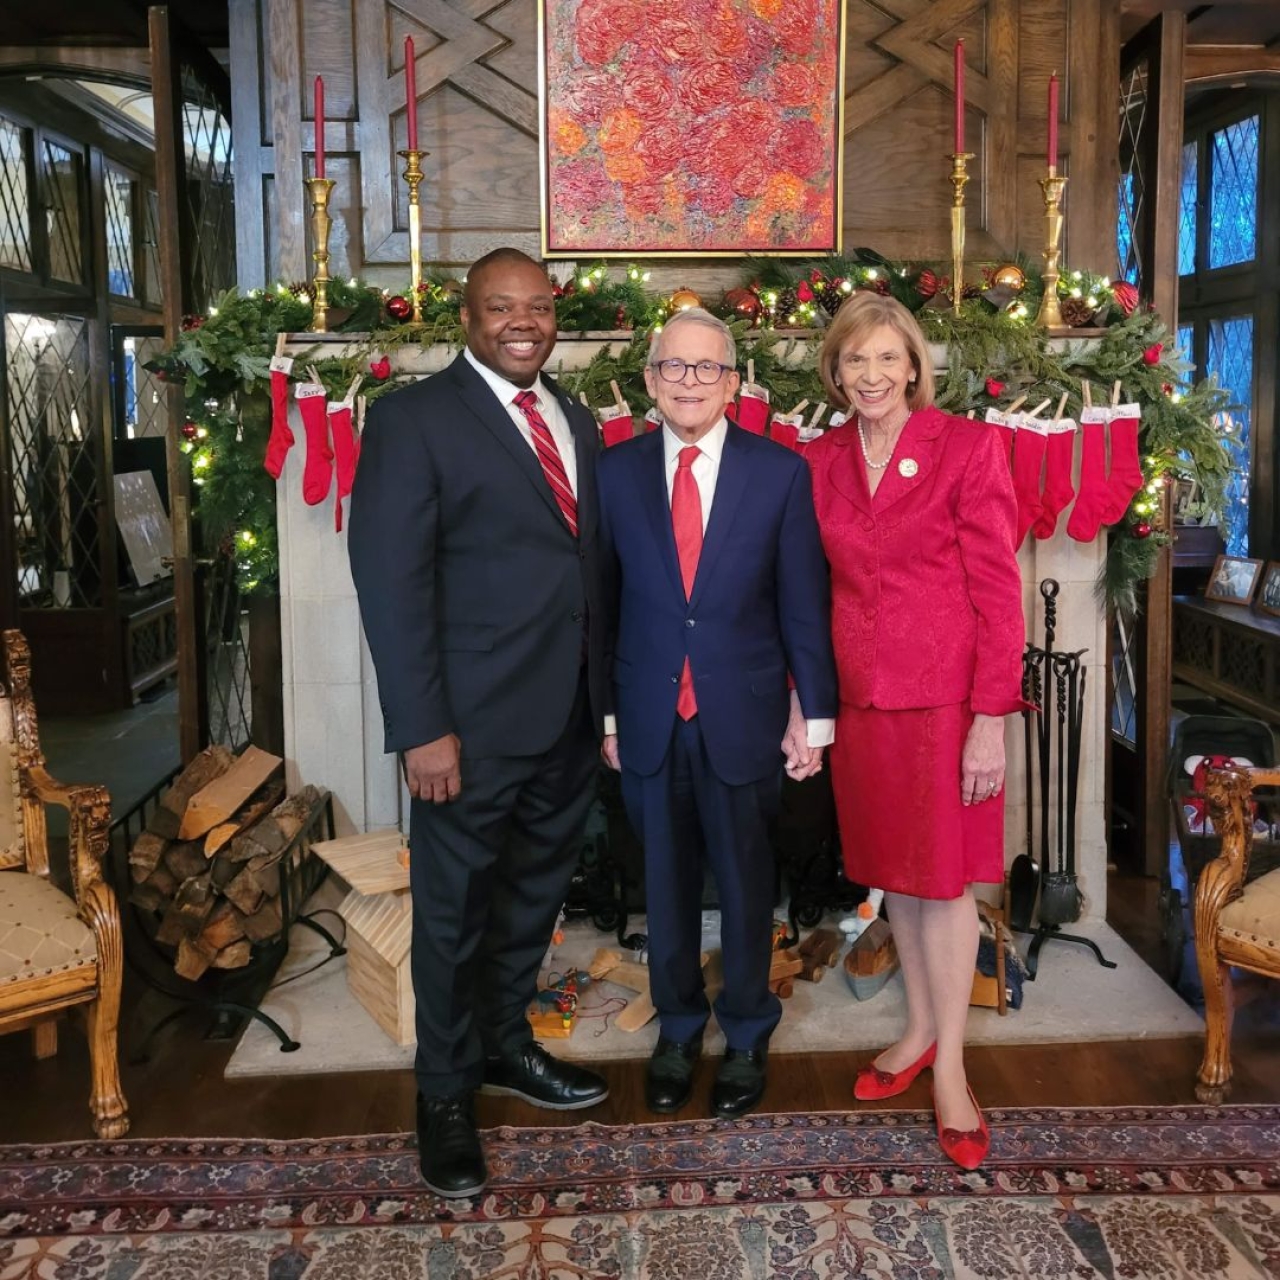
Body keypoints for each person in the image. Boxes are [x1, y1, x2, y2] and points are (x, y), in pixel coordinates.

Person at [348, 247, 608, 1198]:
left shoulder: (574, 419)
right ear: (467, 317)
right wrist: (422, 728)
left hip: (568, 717)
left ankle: (506, 1048)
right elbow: (391, 583)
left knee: (531, 906)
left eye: (538, 306)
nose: (523, 322)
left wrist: (607, 704)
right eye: (502, 307)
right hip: (464, 729)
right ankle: (445, 1097)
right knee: (453, 921)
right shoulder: (413, 420)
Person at [598, 308, 837, 1119]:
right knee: (661, 885)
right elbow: (601, 605)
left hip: (745, 713)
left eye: (707, 369)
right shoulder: (616, 473)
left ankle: (744, 1029)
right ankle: (676, 1027)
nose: (690, 383)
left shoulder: (780, 473)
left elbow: (804, 604)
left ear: (734, 384)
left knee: (744, 884)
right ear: (649, 381)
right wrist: (606, 715)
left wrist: (816, 714)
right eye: (674, 368)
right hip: (648, 713)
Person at [805, 292, 1026, 1171]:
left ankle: (953, 1074)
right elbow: (806, 589)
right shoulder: (815, 458)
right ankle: (920, 1031)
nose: (871, 376)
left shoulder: (967, 448)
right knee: (897, 874)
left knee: (945, 888)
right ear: (836, 368)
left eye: (887, 360)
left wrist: (991, 721)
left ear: (914, 367)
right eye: (855, 361)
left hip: (946, 706)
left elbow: (998, 594)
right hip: (861, 705)